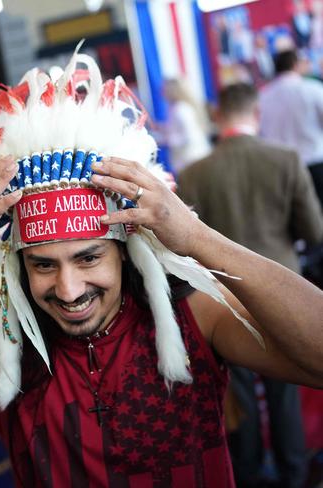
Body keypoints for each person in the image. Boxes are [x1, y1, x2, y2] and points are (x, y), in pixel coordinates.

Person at [0, 54, 323, 487]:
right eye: (42, 264)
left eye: (89, 257)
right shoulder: (6, 349)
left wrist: (198, 239)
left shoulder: (194, 320)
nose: (68, 289)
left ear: (125, 249)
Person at [179, 83, 323, 488]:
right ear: (255, 113)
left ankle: (246, 474)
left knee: (234, 393)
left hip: (219, 303)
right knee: (285, 393)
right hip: (285, 292)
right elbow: (314, 230)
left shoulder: (193, 173)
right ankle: (295, 475)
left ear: (217, 113)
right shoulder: (285, 159)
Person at [259, 49, 323, 203]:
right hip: (316, 162)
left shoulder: (263, 96)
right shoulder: (313, 89)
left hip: (281, 169)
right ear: (296, 64)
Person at [161, 78, 212, 173]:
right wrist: (163, 128)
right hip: (191, 160)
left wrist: (165, 141)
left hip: (191, 160)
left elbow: (189, 136)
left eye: (164, 89)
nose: (162, 93)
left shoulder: (181, 109)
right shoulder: (178, 107)